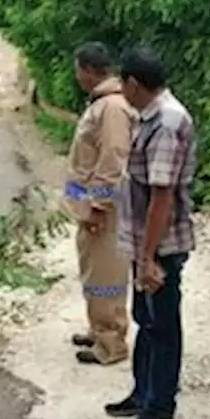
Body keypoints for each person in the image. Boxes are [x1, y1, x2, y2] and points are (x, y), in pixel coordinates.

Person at [104, 48, 196, 419]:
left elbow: (162, 197)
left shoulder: (168, 123)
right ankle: (143, 394)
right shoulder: (150, 116)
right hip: (145, 242)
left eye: (122, 83)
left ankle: (160, 408)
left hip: (160, 246)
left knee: (163, 325)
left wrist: (148, 259)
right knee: (146, 318)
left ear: (133, 83)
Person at [65, 42, 136, 366]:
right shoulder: (101, 103)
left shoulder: (112, 108)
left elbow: (113, 158)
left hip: (103, 210)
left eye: (78, 68)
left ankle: (112, 342)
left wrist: (98, 204)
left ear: (90, 70)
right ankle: (98, 329)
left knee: (107, 274)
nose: (76, 75)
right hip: (88, 206)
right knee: (93, 270)